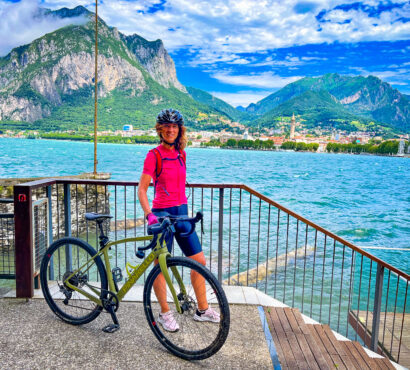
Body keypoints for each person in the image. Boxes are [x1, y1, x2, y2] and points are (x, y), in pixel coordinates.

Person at [138, 108, 220, 332]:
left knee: (199, 261)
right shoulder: (153, 155)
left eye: (174, 126)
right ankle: (165, 313)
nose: (171, 130)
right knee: (161, 266)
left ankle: (202, 310)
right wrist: (150, 215)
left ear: (179, 130)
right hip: (162, 216)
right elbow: (142, 190)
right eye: (167, 126)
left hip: (182, 215)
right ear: (160, 130)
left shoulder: (182, 154)